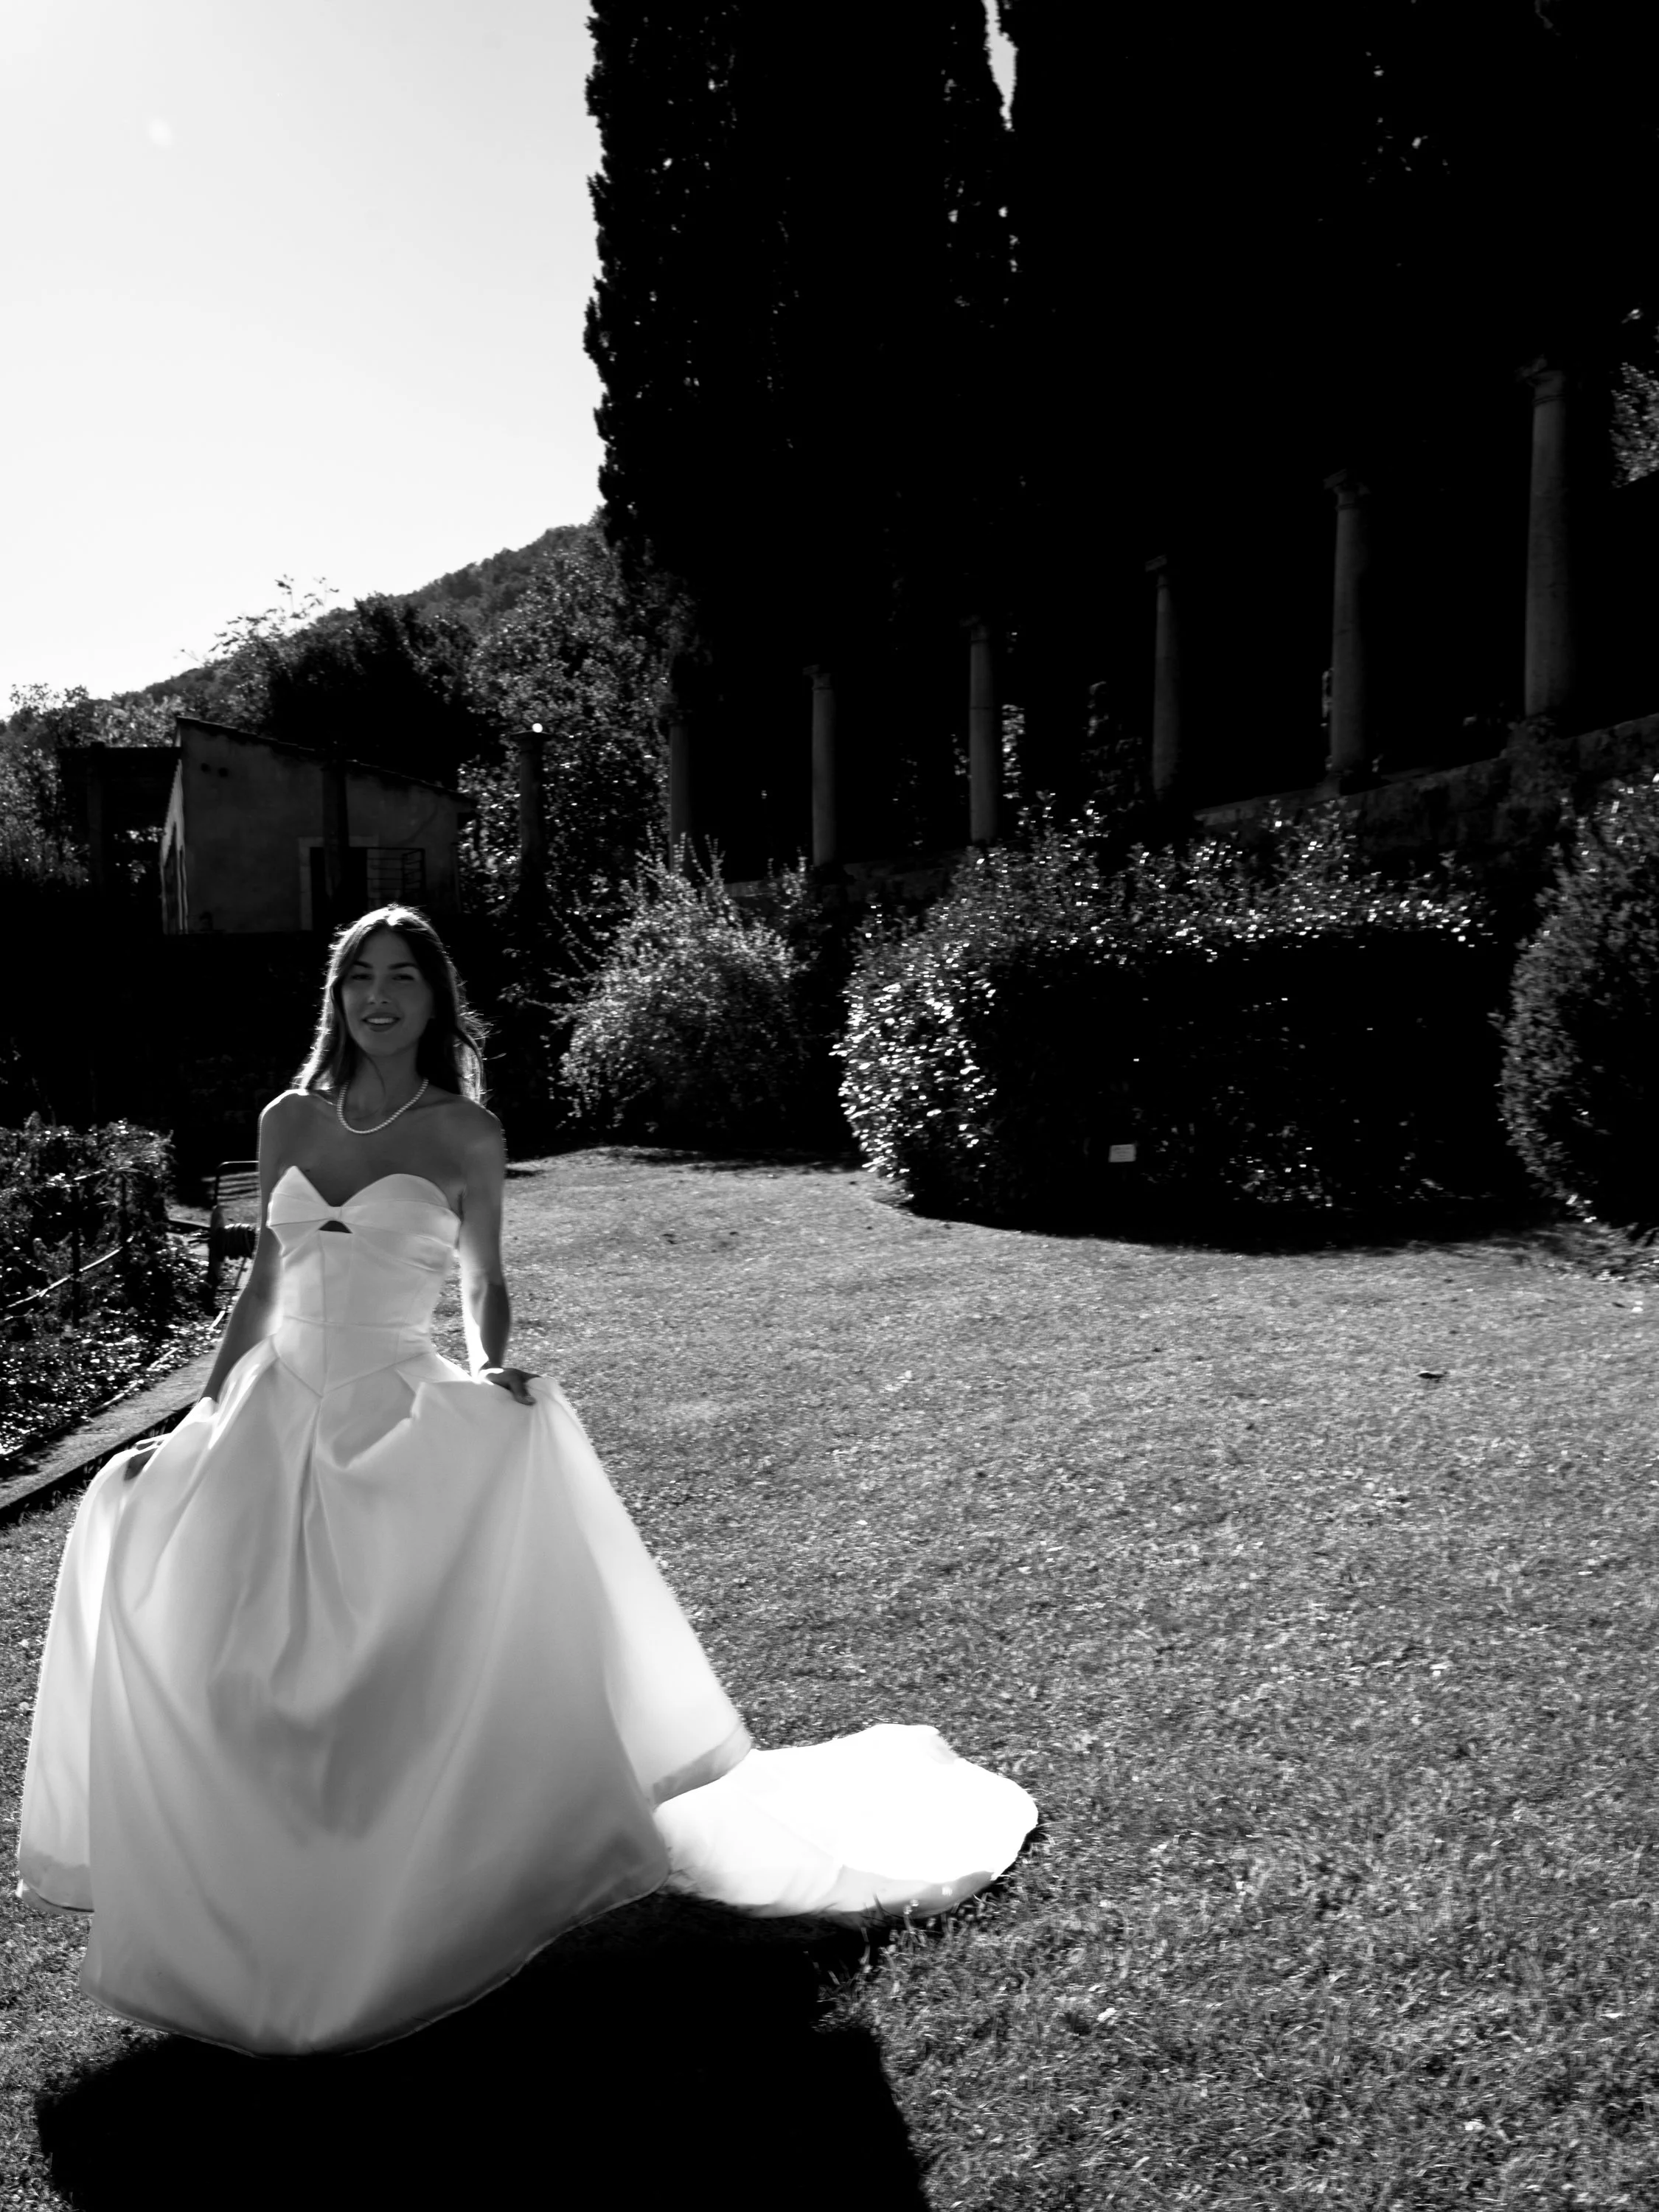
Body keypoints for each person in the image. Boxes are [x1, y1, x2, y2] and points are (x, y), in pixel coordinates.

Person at [16, 905, 1035, 2056]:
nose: (380, 996)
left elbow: (480, 1280)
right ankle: (251, 1911)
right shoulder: (288, 1115)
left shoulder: (464, 1132)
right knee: (221, 1655)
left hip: (392, 1419)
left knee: (378, 1672)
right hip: (266, 1416)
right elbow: (261, 1283)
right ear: (336, 996)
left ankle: (395, 1905)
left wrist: (491, 1364)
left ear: (434, 1000)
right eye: (360, 977)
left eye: (403, 977)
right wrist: (203, 1413)